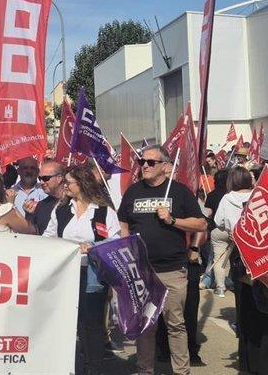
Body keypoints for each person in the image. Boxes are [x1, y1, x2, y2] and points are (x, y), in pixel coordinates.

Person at [117, 144, 207, 375]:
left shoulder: (179, 191)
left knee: (175, 324)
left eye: (150, 162)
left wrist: (172, 220)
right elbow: (123, 222)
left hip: (172, 270)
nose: (144, 166)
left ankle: (181, 371)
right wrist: (128, 251)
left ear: (166, 166)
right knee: (146, 326)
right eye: (141, 162)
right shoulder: (134, 191)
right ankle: (145, 369)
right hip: (142, 271)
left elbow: (201, 223)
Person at [44, 165, 120, 375]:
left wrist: (94, 248)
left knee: (92, 323)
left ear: (83, 184)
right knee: (72, 323)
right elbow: (48, 238)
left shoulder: (104, 212)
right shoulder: (61, 210)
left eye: (69, 182)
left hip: (93, 275)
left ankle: (94, 368)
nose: (65, 185)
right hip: (66, 275)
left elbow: (115, 242)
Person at [21, 160, 66, 234]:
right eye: (40, 179)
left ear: (59, 178)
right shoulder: (41, 205)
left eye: (46, 178)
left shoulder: (73, 202)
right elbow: (32, 233)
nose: (41, 182)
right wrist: (29, 215)